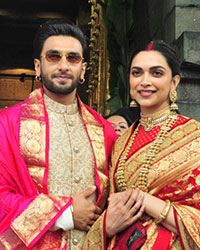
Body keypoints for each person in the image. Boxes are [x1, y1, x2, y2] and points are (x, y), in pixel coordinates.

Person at [0, 19, 118, 249]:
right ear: (37, 66)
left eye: (72, 58)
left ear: (82, 69)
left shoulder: (104, 130)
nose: (63, 66)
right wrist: (65, 215)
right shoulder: (8, 125)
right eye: (54, 57)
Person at [83, 40, 200, 249]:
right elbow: (110, 208)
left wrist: (144, 201)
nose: (145, 81)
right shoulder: (121, 144)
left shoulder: (194, 137)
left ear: (174, 82)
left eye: (156, 73)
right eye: (137, 73)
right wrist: (106, 227)